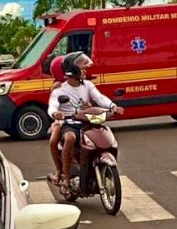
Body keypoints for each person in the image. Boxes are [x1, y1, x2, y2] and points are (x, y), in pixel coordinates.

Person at [48, 52, 123, 196]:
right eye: (82, 68)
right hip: (70, 123)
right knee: (70, 138)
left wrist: (113, 106)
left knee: (103, 134)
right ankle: (67, 179)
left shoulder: (87, 85)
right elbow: (52, 105)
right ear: (73, 70)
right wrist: (55, 113)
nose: (85, 71)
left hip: (87, 122)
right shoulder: (60, 90)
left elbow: (99, 98)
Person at [47, 54, 66, 185]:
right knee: (53, 141)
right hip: (62, 121)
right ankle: (59, 171)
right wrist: (57, 114)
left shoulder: (80, 83)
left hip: (81, 118)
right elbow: (53, 106)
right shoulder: (57, 86)